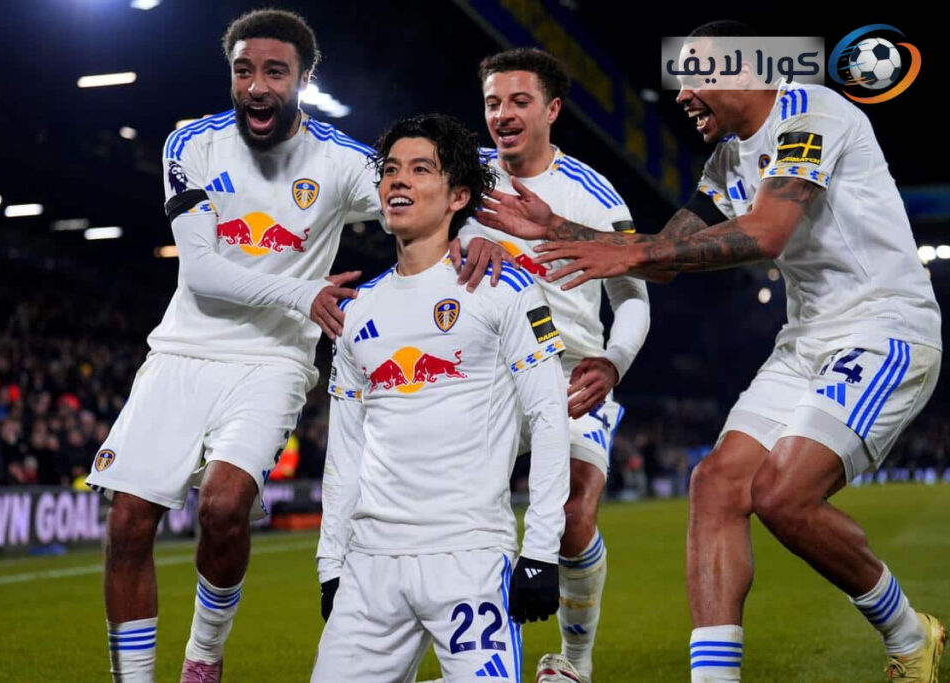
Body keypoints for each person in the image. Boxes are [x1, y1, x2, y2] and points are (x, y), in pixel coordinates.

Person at [477, 20, 944, 683]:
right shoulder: (725, 162)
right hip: (805, 340)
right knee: (716, 484)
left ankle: (908, 636)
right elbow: (665, 257)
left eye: (693, 78)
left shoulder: (811, 111)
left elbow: (768, 232)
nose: (681, 96)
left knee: (782, 494)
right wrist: (559, 226)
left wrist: (627, 252)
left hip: (883, 327)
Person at [85, 9, 505, 682]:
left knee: (224, 505)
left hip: (274, 360)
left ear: (304, 78)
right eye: (244, 70)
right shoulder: (191, 144)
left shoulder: (339, 161)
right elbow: (202, 271)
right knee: (129, 522)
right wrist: (301, 293)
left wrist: (479, 228)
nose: (257, 85)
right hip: (182, 351)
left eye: (275, 72)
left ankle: (203, 657)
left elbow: (434, 181)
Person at [312, 113, 570, 682]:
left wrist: (541, 549)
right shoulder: (356, 311)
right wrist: (331, 560)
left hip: (469, 556)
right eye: (390, 170)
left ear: (458, 195)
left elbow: (550, 416)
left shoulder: (503, 288)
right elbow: (345, 449)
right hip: (370, 564)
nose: (398, 181)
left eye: (420, 169)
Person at [454, 47, 650, 683]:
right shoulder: (460, 178)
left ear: (553, 109)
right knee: (456, 517)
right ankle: (475, 662)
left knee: (571, 516)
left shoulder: (591, 194)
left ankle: (573, 663)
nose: (503, 115)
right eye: (492, 103)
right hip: (477, 371)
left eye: (519, 101)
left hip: (569, 372)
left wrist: (613, 361)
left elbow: (633, 298)